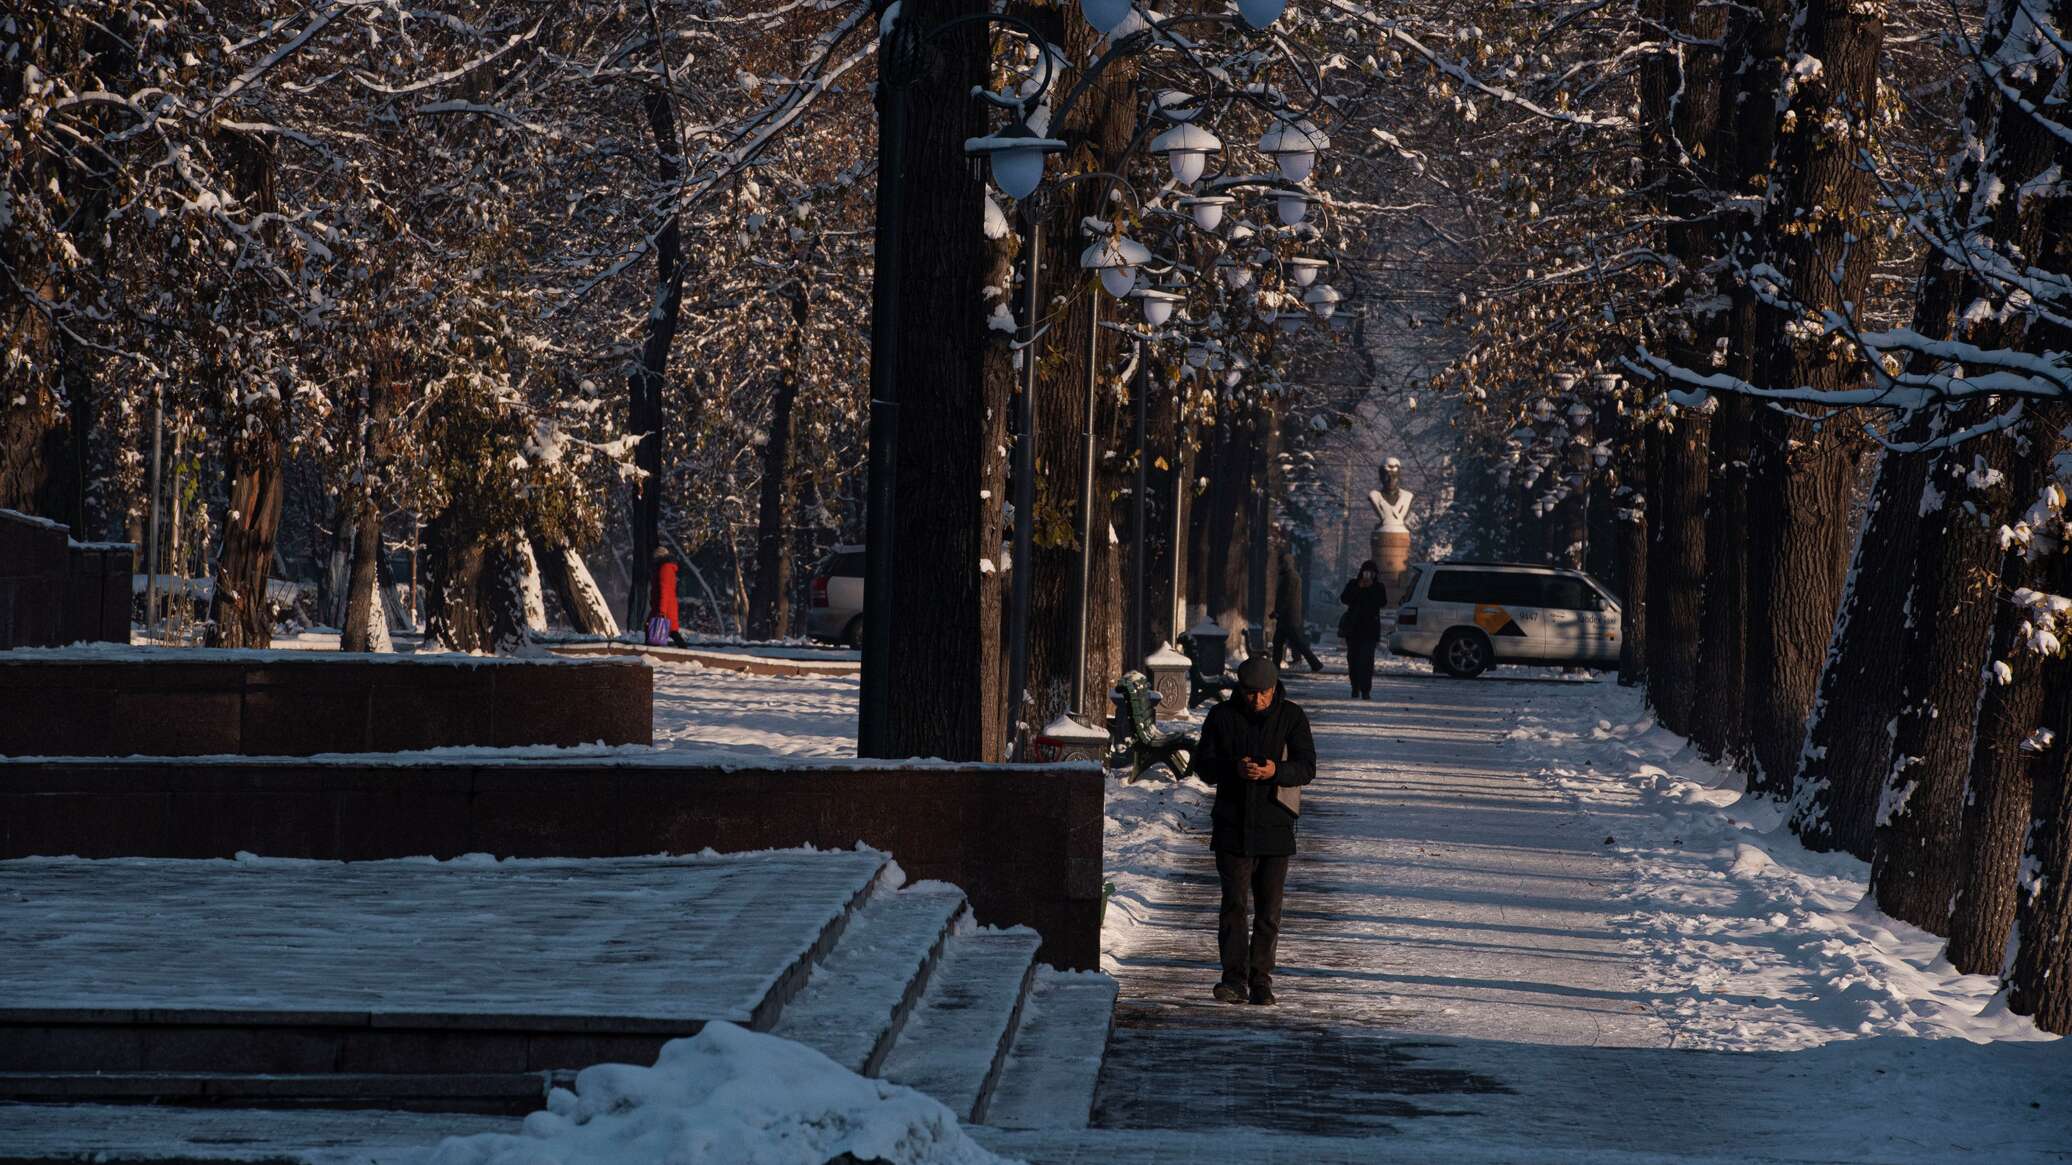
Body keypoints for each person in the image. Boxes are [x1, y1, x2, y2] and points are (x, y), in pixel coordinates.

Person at [1194, 656, 1317, 1006]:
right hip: (1232, 826)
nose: (1257, 701)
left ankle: (1261, 979)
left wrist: (1274, 770)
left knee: (1268, 911)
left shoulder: (1291, 716)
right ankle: (1233, 980)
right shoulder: (1221, 717)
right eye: (1250, 694)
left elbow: (1307, 767)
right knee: (1234, 906)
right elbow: (1203, 766)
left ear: (1275, 689)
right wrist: (1234, 768)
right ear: (1240, 690)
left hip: (1276, 827)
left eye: (1263, 693)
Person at [1338, 559, 1388, 699]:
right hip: (1353, 629)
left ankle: (1366, 689)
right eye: (1366, 572)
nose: (1368, 576)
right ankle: (1355, 687)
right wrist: (1358, 588)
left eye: (1371, 573)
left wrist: (1371, 588)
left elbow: (1382, 602)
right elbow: (1344, 598)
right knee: (1353, 660)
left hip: (1370, 630)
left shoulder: (1378, 587)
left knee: (1366, 661)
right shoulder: (1353, 584)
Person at [1272, 549, 1323, 673]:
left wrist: (1278, 611)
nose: (1279, 566)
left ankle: (1315, 664)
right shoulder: (1290, 576)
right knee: (1284, 642)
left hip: (1288, 617)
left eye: (1281, 563)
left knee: (1294, 642)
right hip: (1289, 617)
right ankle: (1275, 666)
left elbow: (1286, 597)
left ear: (1286, 564)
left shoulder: (1290, 577)